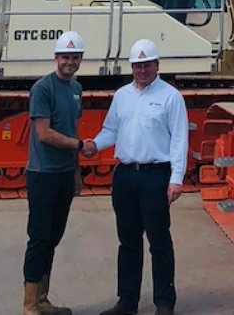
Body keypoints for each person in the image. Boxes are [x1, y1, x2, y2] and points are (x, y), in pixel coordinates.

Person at [88, 39, 188, 315]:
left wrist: (176, 178)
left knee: (159, 240)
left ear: (157, 66)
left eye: (147, 64)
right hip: (126, 176)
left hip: (156, 176)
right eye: (137, 65)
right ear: (131, 67)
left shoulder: (170, 97)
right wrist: (94, 144)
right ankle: (127, 301)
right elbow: (111, 130)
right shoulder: (122, 96)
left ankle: (164, 302)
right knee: (128, 240)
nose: (142, 70)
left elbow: (179, 139)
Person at [23, 31, 87, 315]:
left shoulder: (76, 89)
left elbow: (72, 129)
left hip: (63, 174)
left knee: (54, 236)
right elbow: (44, 133)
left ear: (80, 60)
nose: (69, 62)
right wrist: (81, 146)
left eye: (75, 57)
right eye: (65, 57)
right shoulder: (43, 88)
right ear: (56, 58)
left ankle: (43, 299)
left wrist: (76, 171)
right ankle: (30, 305)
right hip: (43, 174)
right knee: (39, 237)